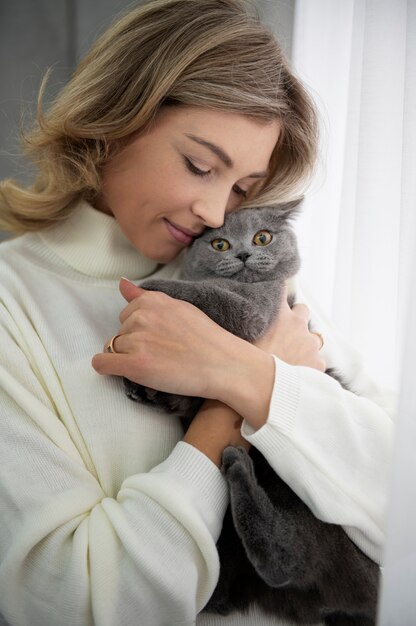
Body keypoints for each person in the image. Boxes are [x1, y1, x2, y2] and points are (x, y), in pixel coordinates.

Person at [0, 1, 395, 625]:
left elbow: (399, 501)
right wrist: (231, 402)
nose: (217, 214)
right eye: (200, 166)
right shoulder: (10, 305)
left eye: (241, 187)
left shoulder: (262, 283)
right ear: (115, 118)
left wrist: (253, 377)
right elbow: (79, 605)